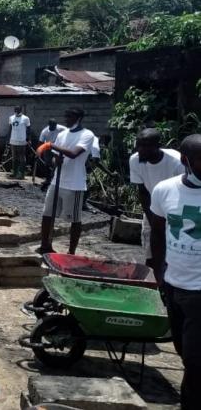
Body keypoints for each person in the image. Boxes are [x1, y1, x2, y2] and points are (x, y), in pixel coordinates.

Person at [148, 134, 201, 410]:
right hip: (174, 284)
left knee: (195, 361)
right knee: (183, 351)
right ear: (186, 161)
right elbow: (158, 233)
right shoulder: (165, 190)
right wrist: (159, 272)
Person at [37, 108, 95, 255]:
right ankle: (45, 246)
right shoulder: (62, 135)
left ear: (79, 118)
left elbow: (74, 154)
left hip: (74, 184)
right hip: (57, 181)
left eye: (70, 116)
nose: (67, 119)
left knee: (74, 219)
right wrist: (56, 160)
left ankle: (71, 252)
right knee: (47, 214)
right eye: (66, 116)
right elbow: (57, 157)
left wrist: (50, 145)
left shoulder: (87, 135)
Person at [130, 128, 185, 264]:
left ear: (157, 146)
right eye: (139, 145)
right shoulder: (135, 160)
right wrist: (152, 218)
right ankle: (153, 278)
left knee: (174, 244)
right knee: (150, 243)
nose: (140, 150)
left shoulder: (176, 162)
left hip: (176, 206)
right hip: (152, 205)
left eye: (146, 146)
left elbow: (184, 191)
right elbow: (142, 191)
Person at [38, 119, 67, 191]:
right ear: (49, 125)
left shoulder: (62, 128)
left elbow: (68, 134)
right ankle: (48, 179)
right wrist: (39, 152)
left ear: (56, 125)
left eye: (54, 126)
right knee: (47, 164)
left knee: (56, 163)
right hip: (48, 147)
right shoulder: (45, 131)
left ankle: (55, 178)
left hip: (58, 147)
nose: (53, 127)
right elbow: (41, 142)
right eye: (52, 126)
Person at [8, 106, 30, 180]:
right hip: (13, 140)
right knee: (14, 158)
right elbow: (10, 128)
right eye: (15, 109)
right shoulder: (11, 117)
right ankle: (15, 173)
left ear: (21, 110)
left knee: (22, 158)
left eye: (18, 109)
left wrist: (28, 139)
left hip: (22, 140)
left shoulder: (26, 118)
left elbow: (29, 129)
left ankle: (22, 174)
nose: (16, 111)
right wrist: (8, 138)